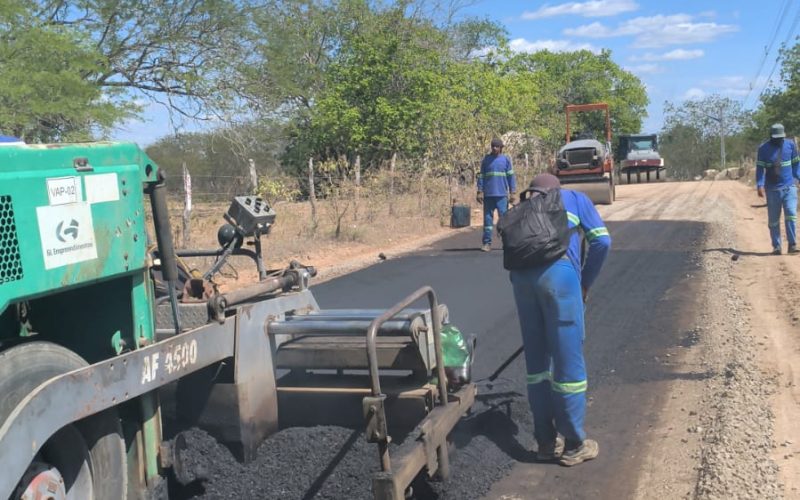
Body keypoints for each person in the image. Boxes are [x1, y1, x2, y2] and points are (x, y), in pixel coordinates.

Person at [509, 173, 610, 466]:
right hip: (561, 280)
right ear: (557, 190)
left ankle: (544, 442)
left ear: (533, 191)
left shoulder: (521, 209)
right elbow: (602, 242)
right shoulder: (575, 199)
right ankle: (575, 444)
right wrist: (584, 283)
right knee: (568, 363)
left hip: (522, 283)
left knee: (537, 367)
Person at [756, 123, 800, 255]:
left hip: (789, 187)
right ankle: (776, 246)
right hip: (772, 190)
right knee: (774, 220)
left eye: (780, 137)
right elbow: (760, 169)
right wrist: (759, 184)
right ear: (771, 136)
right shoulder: (763, 149)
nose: (778, 140)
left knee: (791, 215)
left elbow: (796, 164)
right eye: (776, 137)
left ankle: (792, 245)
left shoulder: (790, 145)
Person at [477, 138, 517, 252]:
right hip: (488, 195)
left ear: (501, 148)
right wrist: (479, 191)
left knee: (504, 221)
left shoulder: (506, 160)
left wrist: (513, 192)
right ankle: (486, 243)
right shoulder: (486, 160)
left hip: (502, 196)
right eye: (493, 146)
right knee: (488, 221)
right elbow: (481, 176)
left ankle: (507, 243)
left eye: (497, 146)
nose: (494, 148)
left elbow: (511, 177)